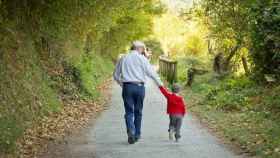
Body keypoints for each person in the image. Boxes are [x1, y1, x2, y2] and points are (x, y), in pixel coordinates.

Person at [113, 41, 163, 144]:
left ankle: (131, 131)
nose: (143, 51)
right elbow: (152, 73)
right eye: (143, 49)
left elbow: (116, 75)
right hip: (140, 87)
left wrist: (122, 84)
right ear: (138, 48)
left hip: (127, 87)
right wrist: (161, 85)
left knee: (129, 111)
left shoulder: (123, 58)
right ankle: (137, 134)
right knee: (138, 111)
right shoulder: (142, 59)